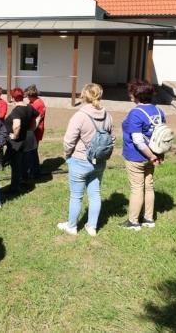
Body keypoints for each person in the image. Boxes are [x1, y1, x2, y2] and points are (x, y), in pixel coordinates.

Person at [58, 83, 114, 237]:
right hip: (99, 161)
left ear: (84, 96)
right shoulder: (107, 116)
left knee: (76, 196)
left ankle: (72, 226)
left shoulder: (80, 116)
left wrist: (67, 155)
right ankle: (92, 227)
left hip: (79, 160)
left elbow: (69, 141)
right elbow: (112, 139)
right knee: (95, 194)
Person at [121, 79, 166, 231]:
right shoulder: (159, 112)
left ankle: (133, 222)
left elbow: (138, 141)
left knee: (137, 188)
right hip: (153, 156)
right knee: (149, 187)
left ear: (137, 95)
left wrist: (150, 156)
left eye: (131, 92)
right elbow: (162, 136)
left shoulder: (136, 113)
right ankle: (148, 219)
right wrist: (158, 155)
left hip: (137, 157)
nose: (129, 95)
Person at [3, 88, 39, 193]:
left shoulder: (17, 110)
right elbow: (37, 116)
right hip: (26, 140)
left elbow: (17, 125)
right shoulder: (29, 107)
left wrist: (15, 135)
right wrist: (32, 128)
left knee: (16, 165)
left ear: (13, 98)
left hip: (17, 142)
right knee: (23, 163)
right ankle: (24, 182)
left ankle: (15, 187)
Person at [25, 85, 46, 179]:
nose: (27, 98)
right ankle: (32, 170)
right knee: (31, 151)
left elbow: (37, 119)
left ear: (32, 95)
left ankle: (34, 172)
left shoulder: (39, 104)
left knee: (33, 151)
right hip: (31, 130)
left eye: (28, 96)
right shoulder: (32, 102)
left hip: (35, 131)